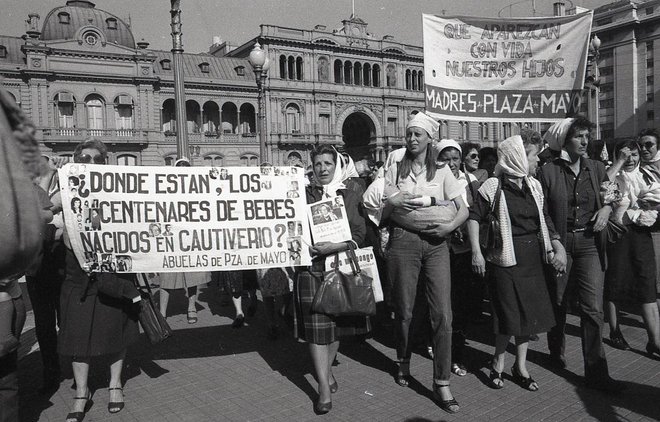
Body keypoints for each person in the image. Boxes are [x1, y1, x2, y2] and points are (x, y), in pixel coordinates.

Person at [382, 112, 468, 413]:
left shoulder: (443, 170)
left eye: (418, 134)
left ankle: (441, 382)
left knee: (442, 313)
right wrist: (391, 204)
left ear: (430, 138)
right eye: (409, 134)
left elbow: (462, 210)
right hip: (403, 241)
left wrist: (447, 228)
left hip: (436, 245)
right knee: (404, 309)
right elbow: (382, 207)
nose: (412, 139)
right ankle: (403, 361)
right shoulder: (395, 167)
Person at [467, 135, 564, 391]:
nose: (537, 162)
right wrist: (476, 252)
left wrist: (555, 245)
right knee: (508, 314)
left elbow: (544, 219)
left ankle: (520, 367)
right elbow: (474, 218)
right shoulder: (492, 186)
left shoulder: (534, 186)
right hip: (504, 259)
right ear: (518, 159)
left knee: (528, 315)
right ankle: (498, 361)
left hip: (533, 259)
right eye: (533, 157)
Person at [538, 116, 624, 392]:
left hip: (589, 244)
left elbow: (613, 193)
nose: (586, 141)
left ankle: (596, 372)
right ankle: (555, 353)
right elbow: (543, 212)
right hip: (562, 243)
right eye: (579, 136)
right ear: (565, 141)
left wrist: (607, 208)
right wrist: (555, 243)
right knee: (559, 301)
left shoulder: (597, 168)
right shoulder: (548, 171)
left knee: (592, 309)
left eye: (587, 135)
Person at [58, 139, 141, 422]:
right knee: (77, 337)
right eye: (84, 158)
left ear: (104, 164)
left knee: (115, 331)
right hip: (77, 275)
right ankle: (81, 392)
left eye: (96, 159)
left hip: (109, 271)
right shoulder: (64, 189)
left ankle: (115, 384)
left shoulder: (116, 192)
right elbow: (43, 212)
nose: (90, 163)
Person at [293, 145, 370, 414]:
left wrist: (334, 246)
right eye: (318, 164)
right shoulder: (303, 193)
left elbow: (360, 234)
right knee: (316, 330)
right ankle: (323, 387)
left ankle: (325, 371)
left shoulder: (351, 193)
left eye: (327, 163)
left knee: (336, 328)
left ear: (335, 165)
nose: (323, 169)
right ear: (311, 168)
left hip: (340, 266)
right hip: (311, 268)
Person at [603, 139, 660, 358]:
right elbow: (607, 194)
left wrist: (652, 207)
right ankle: (615, 330)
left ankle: (655, 340)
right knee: (615, 284)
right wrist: (618, 163)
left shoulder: (646, 176)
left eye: (634, 154)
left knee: (647, 284)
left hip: (641, 237)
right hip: (618, 237)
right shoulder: (613, 176)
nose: (631, 159)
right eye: (626, 155)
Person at [436, 139, 482, 377]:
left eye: (455, 158)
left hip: (463, 254)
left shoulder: (471, 182)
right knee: (441, 305)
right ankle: (436, 345)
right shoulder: (432, 181)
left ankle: (457, 354)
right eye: (446, 158)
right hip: (439, 249)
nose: (451, 163)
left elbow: (478, 213)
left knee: (461, 306)